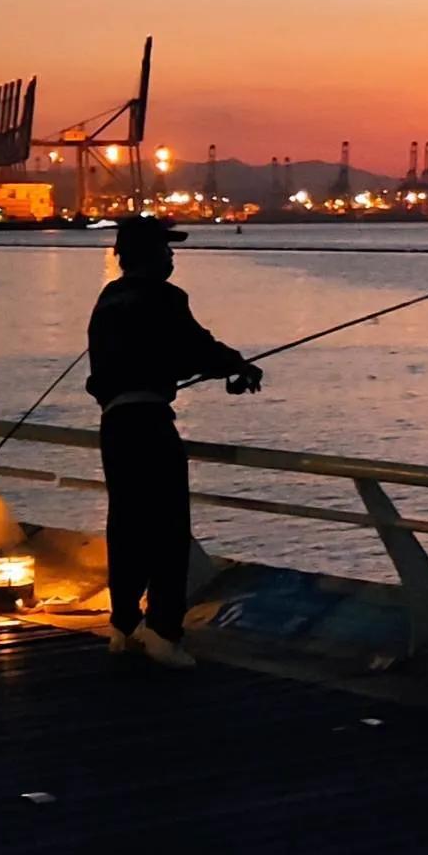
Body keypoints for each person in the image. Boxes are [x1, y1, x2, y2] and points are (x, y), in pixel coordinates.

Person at [86, 215, 262, 668]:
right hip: (149, 422)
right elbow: (195, 348)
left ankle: (124, 626)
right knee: (167, 529)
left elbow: (158, 355)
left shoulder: (108, 300)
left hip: (114, 425)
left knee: (126, 526)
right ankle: (164, 633)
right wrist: (237, 364)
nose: (172, 256)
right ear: (150, 255)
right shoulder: (164, 297)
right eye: (167, 249)